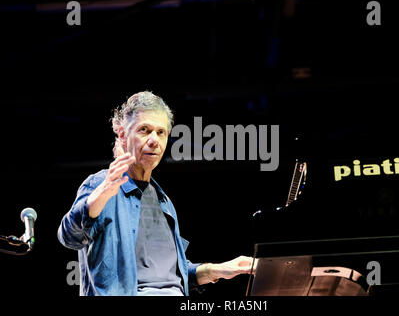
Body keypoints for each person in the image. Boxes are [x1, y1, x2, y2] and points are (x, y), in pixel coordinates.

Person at [57, 91, 255, 296]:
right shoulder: (100, 185)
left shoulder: (164, 202)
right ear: (124, 136)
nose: (154, 140)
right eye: (145, 130)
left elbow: (171, 275)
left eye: (161, 132)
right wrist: (99, 197)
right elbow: (69, 237)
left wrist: (220, 269)